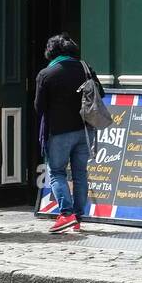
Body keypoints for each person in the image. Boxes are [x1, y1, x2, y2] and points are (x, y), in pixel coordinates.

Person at [34, 33, 92, 234]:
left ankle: (66, 214)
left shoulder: (46, 74)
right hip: (84, 130)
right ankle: (78, 217)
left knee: (57, 172)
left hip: (59, 132)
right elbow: (99, 94)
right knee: (80, 174)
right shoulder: (86, 69)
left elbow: (38, 107)